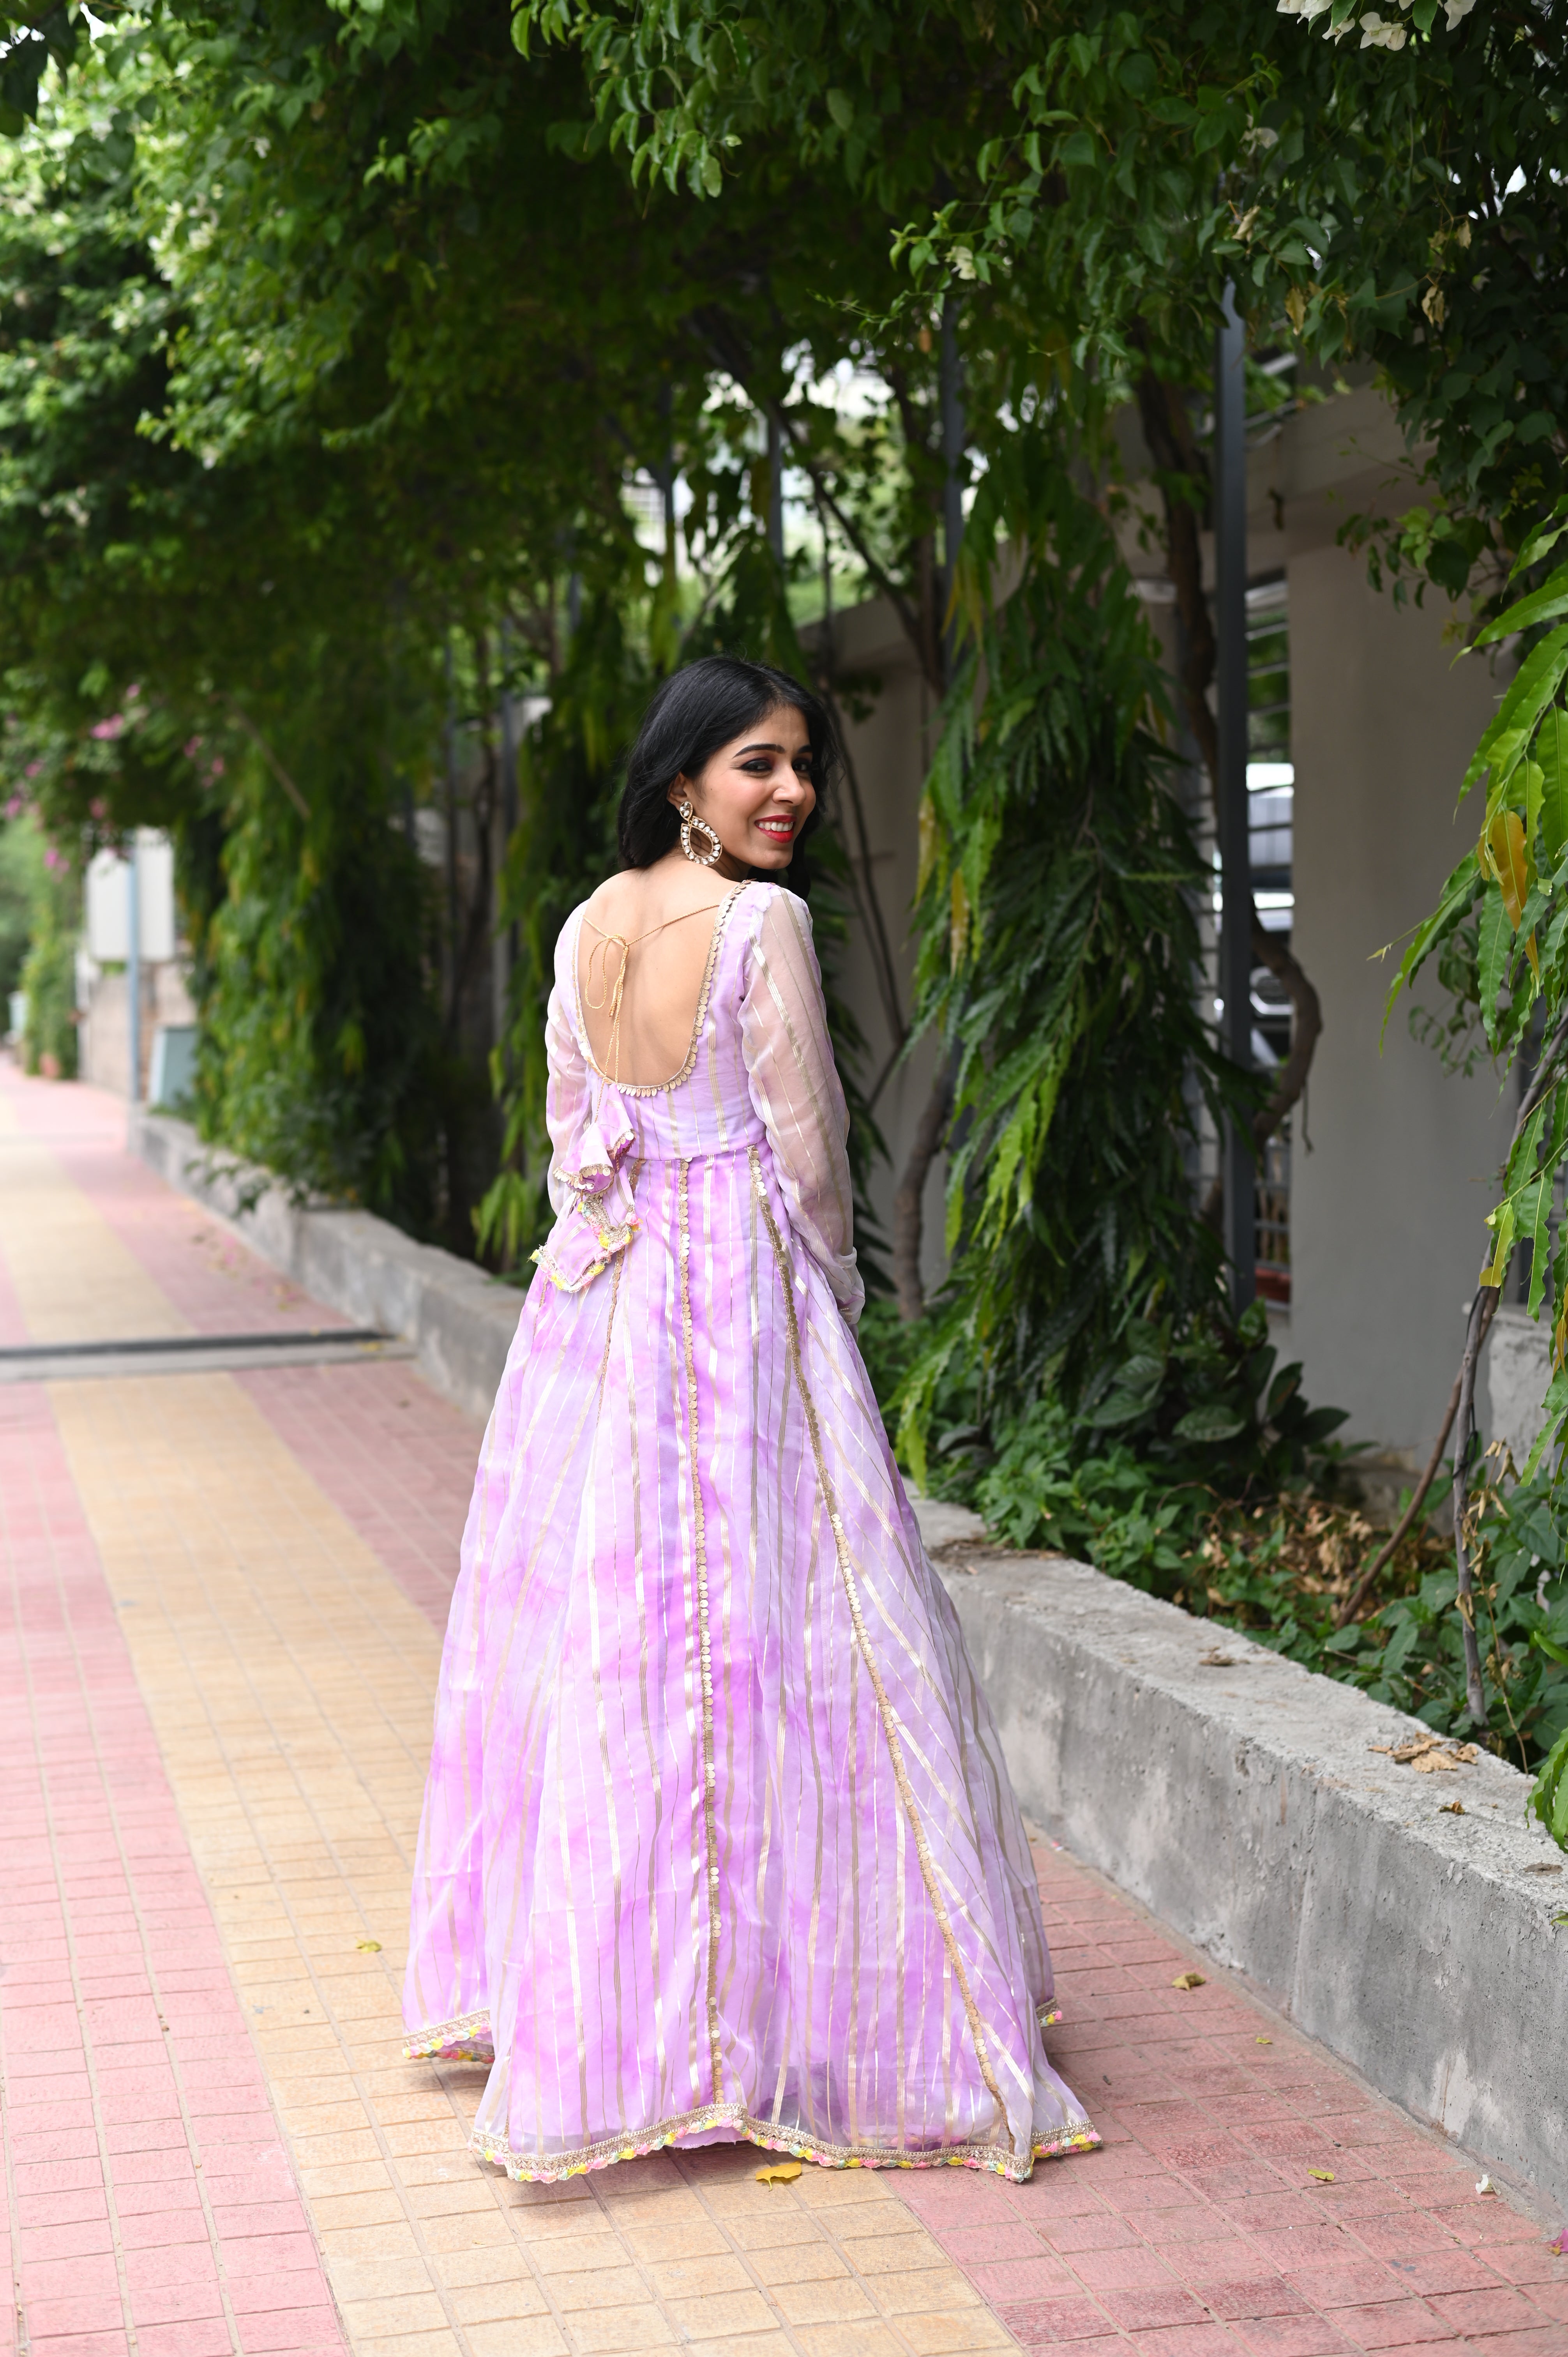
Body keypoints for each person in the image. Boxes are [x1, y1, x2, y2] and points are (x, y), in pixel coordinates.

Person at [403, 654, 1097, 2184]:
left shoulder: (590, 922)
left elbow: (577, 1140)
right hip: (733, 1298)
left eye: (797, 766)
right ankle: (802, 2017)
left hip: (599, 1306)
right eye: (755, 767)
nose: (787, 794)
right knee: (799, 1631)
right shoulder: (764, 924)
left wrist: (616, 1246)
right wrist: (831, 1298)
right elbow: (802, 1146)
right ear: (683, 780)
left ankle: (627, 2022)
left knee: (622, 1644)